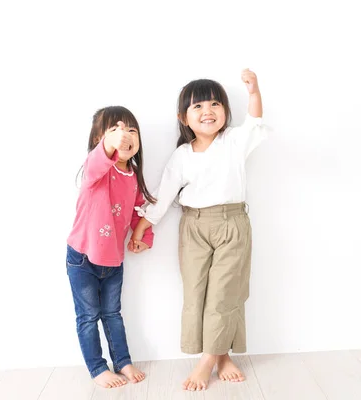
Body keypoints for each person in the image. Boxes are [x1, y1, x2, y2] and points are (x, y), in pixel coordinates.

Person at [130, 69, 269, 391]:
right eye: (198, 107)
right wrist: (139, 232)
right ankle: (221, 356)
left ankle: (208, 360)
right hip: (193, 226)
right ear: (183, 117)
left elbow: (255, 121)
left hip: (231, 224)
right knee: (196, 295)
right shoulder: (181, 155)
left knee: (224, 295)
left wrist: (254, 91)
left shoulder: (234, 140)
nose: (208, 111)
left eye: (215, 104)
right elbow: (162, 198)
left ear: (225, 111)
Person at [66, 106, 156, 388]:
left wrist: (143, 237)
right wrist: (110, 145)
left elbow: (138, 211)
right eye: (116, 130)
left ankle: (123, 361)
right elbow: (98, 160)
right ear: (99, 141)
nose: (125, 135)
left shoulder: (134, 175)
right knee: (88, 317)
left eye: (131, 130)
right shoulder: (95, 171)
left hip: (113, 260)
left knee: (113, 314)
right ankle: (97, 368)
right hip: (83, 257)